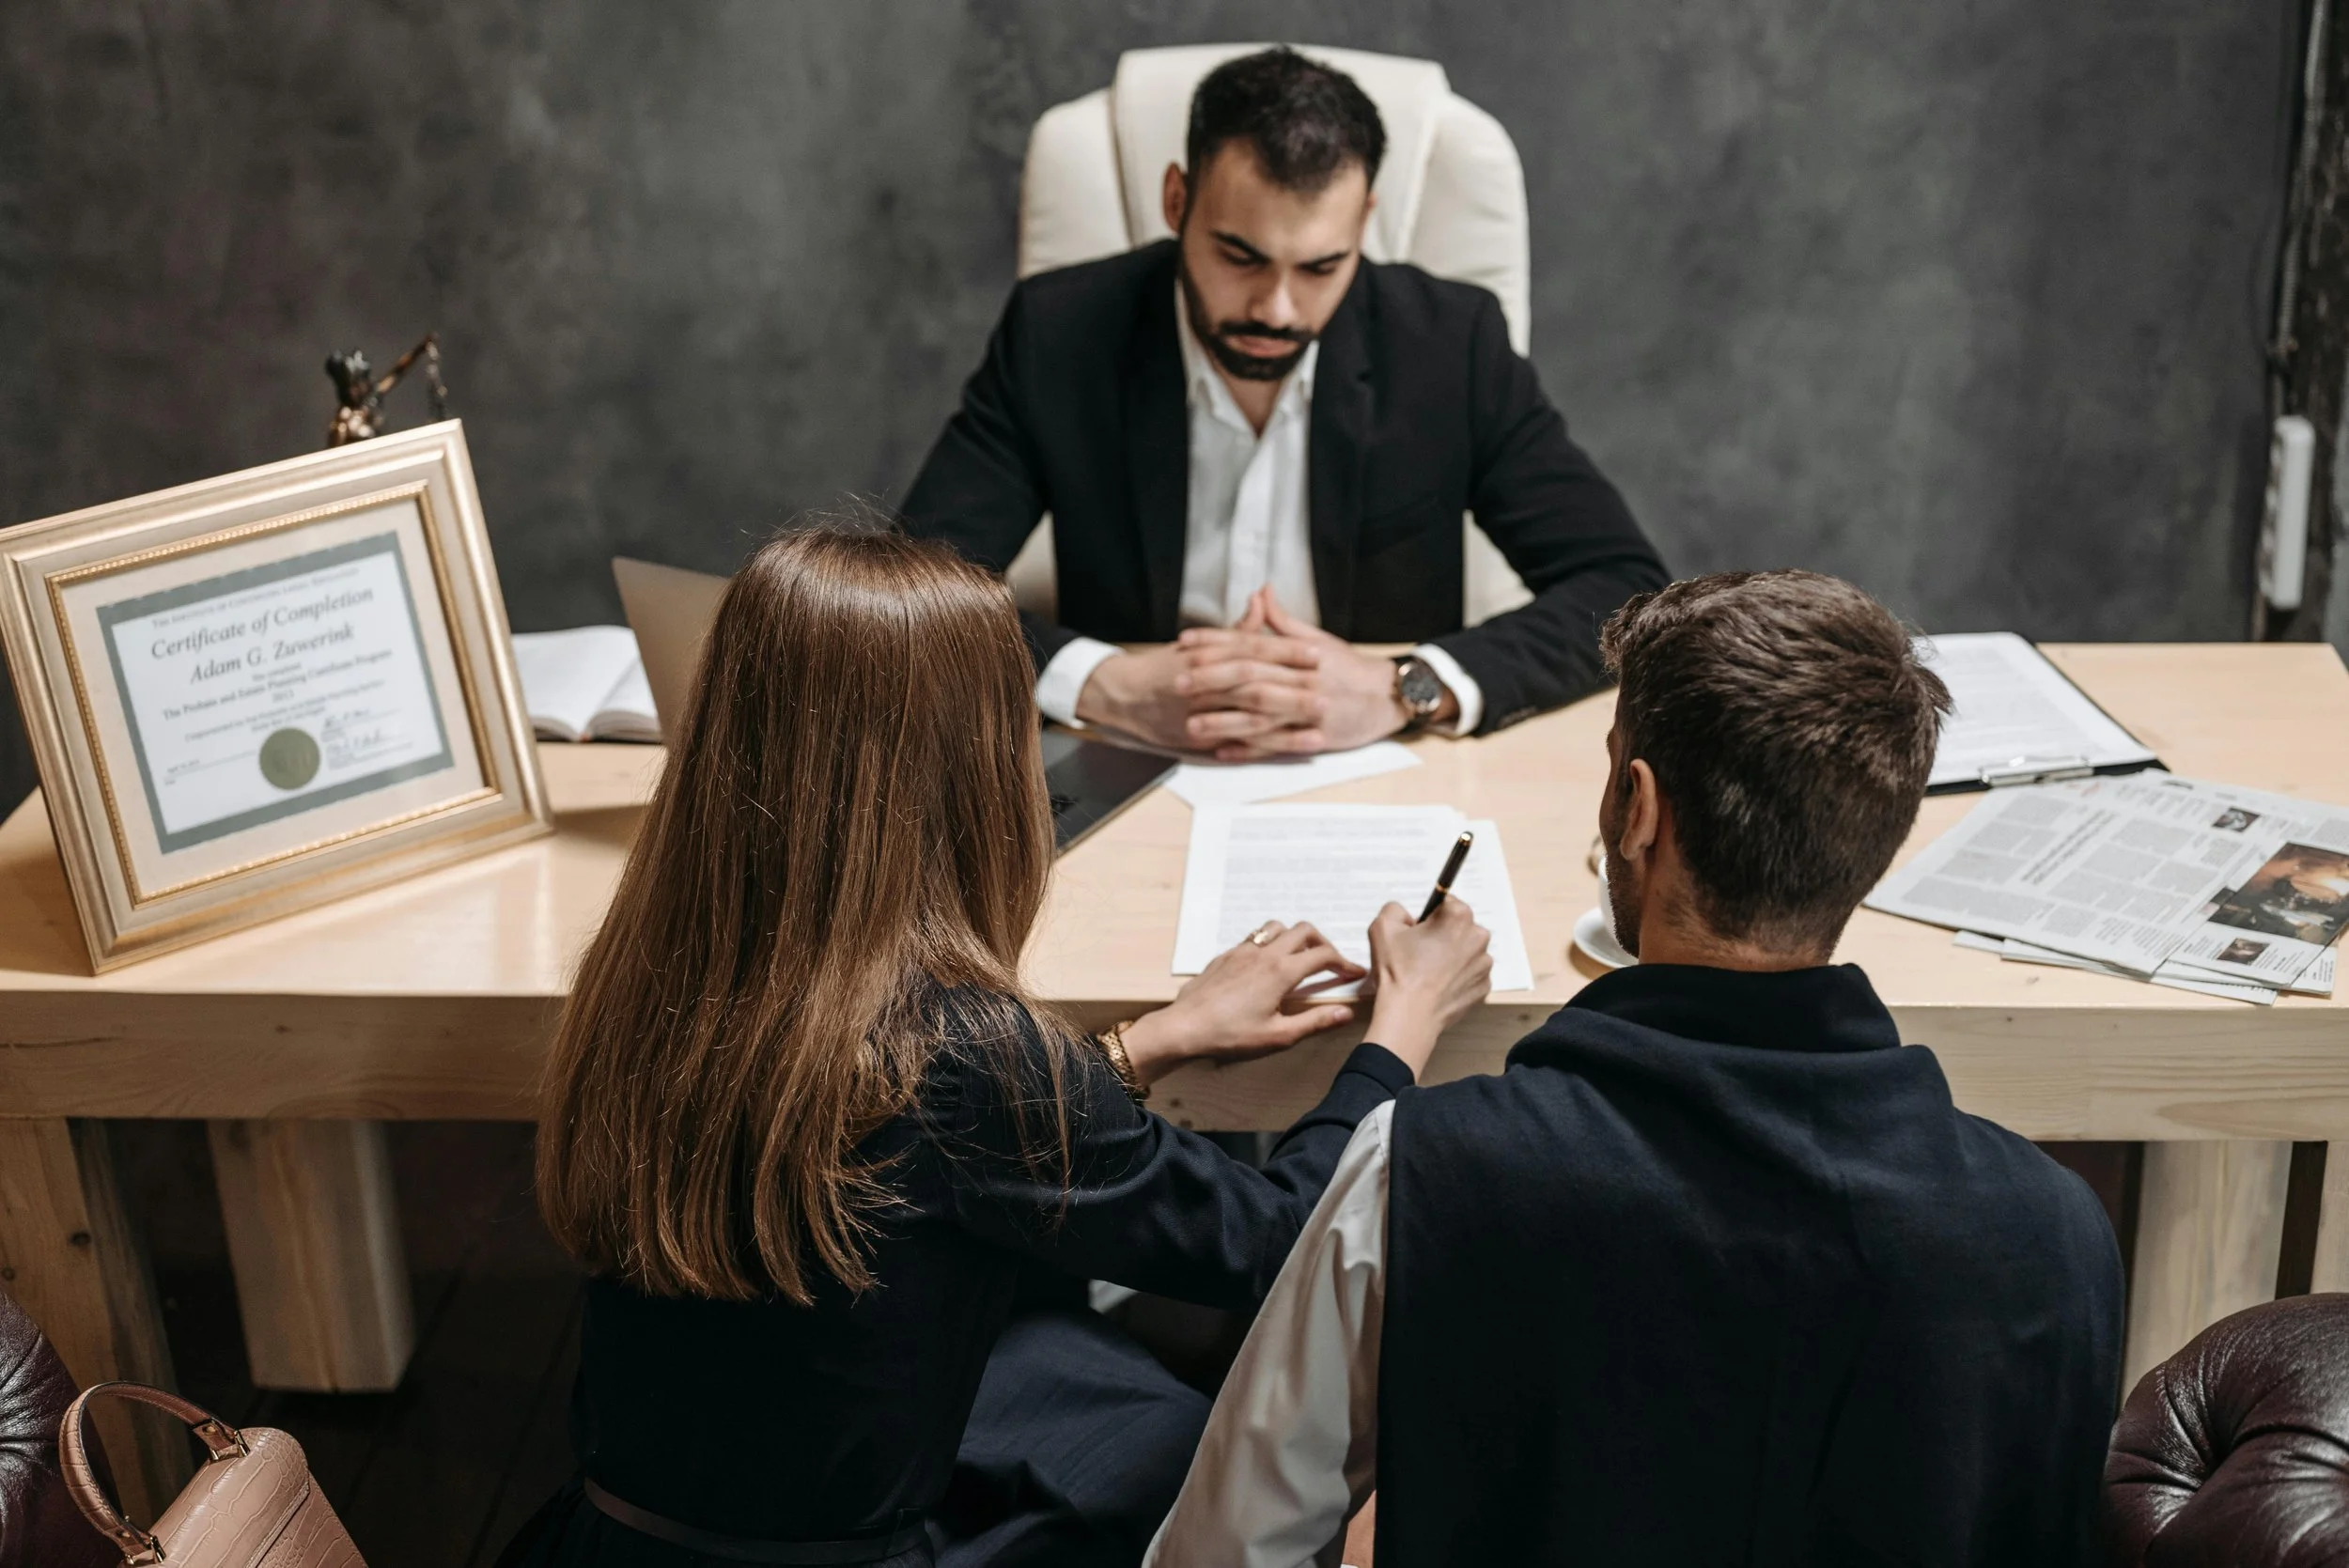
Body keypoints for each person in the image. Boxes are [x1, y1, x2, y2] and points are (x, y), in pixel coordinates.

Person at [500, 520, 1493, 1568]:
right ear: (969, 773)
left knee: (1061, 1355)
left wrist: (1143, 1044)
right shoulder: (967, 1047)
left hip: (608, 1541)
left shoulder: (655, 964)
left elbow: (906, 1140)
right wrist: (1402, 1025)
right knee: (1166, 1430)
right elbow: (1278, 1238)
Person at [1145, 571, 2127, 1567]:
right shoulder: (2057, 1233)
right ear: (1873, 840)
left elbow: (1227, 1551)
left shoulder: (1424, 1168)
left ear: (1638, 809)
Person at [901, 47, 1666, 761]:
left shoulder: (1451, 346)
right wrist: (1104, 684)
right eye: (1240, 256)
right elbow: (905, 587)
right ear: (1177, 202)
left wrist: (1405, 685)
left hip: (1384, 767)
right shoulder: (1059, 333)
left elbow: (1624, 587)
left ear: (1364, 224)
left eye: (1321, 266)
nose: (1276, 308)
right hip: (1123, 759)